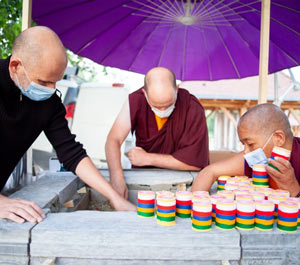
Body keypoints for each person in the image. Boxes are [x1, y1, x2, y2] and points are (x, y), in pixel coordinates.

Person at [0, 26, 136, 224]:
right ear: (15, 66)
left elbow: (71, 153)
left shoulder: (49, 103)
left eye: (56, 81)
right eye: (44, 81)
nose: (51, 89)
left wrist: (113, 196)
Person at [106, 67, 209, 199]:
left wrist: (147, 158)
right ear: (145, 93)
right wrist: (116, 178)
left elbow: (195, 162)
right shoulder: (136, 100)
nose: (162, 111)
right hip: (145, 178)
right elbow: (113, 140)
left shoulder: (192, 106)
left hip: (184, 181)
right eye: (156, 106)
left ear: (177, 89)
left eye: (168, 104)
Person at [192, 103, 300, 197]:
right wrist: (198, 206)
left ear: (278, 138)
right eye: (243, 144)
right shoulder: (254, 159)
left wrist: (294, 189)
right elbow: (209, 172)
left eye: (250, 144)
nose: (246, 151)